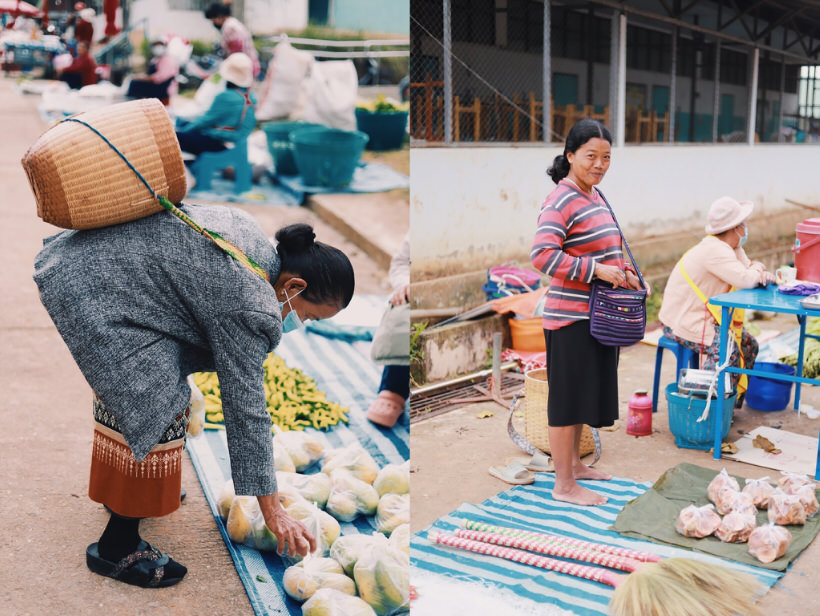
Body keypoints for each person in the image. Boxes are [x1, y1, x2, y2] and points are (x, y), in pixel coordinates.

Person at [33, 202, 355, 587]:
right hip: (100, 290)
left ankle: (121, 496)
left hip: (87, 265)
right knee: (157, 406)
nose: (301, 322)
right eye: (310, 315)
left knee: (141, 396)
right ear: (295, 286)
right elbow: (245, 408)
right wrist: (272, 511)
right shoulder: (252, 304)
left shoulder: (251, 239)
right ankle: (117, 549)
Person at [531, 119, 645, 507]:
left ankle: (575, 467)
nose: (599, 164)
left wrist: (621, 273)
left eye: (607, 157)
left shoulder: (595, 197)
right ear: (570, 156)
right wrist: (596, 271)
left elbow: (600, 250)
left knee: (579, 396)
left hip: (594, 315)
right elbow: (542, 256)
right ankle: (563, 484)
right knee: (565, 400)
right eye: (591, 156)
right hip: (570, 317)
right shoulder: (561, 199)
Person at [658, 196, 775, 402]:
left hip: (704, 319)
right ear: (735, 228)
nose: (746, 229)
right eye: (743, 225)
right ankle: (705, 407)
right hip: (681, 321)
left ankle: (730, 403)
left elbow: (748, 270)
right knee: (726, 349)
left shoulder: (732, 249)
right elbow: (747, 279)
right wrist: (758, 268)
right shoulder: (715, 250)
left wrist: (756, 269)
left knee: (749, 344)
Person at [367, 232, 410, 428]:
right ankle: (394, 388)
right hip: (419, 295)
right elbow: (401, 263)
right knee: (402, 320)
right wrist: (405, 285)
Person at [176, 52, 256, 156]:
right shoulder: (252, 97)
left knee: (178, 136)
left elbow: (205, 121)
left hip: (221, 146)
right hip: (238, 143)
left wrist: (184, 131)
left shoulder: (225, 96)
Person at [204, 2, 260, 79]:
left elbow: (236, 50)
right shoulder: (233, 22)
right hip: (249, 65)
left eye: (213, 20)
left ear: (219, 16)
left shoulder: (229, 27)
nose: (213, 23)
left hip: (242, 68)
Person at [125, 37, 180, 105]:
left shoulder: (168, 60)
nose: (158, 48)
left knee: (135, 84)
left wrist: (141, 78)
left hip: (163, 88)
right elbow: (149, 73)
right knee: (133, 83)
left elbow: (159, 78)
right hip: (156, 86)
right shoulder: (155, 59)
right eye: (156, 46)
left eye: (160, 45)